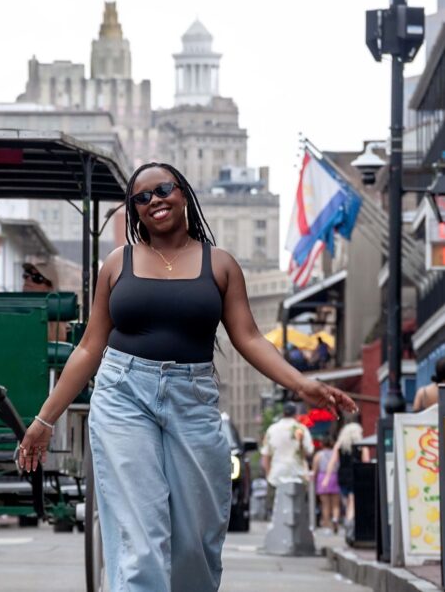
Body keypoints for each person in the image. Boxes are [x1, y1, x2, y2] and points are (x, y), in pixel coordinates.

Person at [18, 162, 357, 592]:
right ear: (134, 210)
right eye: (141, 197)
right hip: (123, 396)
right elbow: (89, 347)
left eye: (162, 189)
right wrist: (44, 420)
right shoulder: (116, 264)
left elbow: (249, 338)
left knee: (195, 545)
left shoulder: (220, 265)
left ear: (183, 192)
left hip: (193, 399)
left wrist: (301, 383)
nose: (154, 201)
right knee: (141, 544)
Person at [261, 401, 314, 517]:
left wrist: (268, 474)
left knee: (276, 512)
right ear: (296, 414)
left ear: (283, 414)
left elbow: (265, 455)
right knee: (297, 511)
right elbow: (309, 451)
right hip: (297, 473)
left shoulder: (272, 429)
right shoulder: (301, 429)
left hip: (277, 474)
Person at [322, 419, 369, 531]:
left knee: (347, 501)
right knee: (353, 502)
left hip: (342, 475)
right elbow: (366, 461)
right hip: (357, 475)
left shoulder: (339, 446)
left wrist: (326, 478)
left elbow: (332, 462)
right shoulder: (362, 445)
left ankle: (347, 520)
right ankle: (349, 522)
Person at [22, 263, 67, 342]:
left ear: (49, 288)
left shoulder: (54, 314)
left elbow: (56, 343)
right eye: (26, 274)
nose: (28, 279)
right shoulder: (14, 308)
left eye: (37, 278)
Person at [312, 436, 340, 533]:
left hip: (322, 476)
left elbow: (315, 469)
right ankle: (335, 519)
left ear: (322, 444)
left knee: (325, 504)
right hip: (334, 476)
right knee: (335, 504)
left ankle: (327, 524)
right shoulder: (335, 453)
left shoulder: (319, 455)